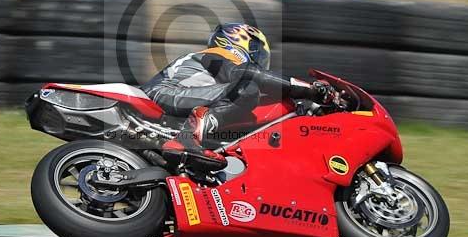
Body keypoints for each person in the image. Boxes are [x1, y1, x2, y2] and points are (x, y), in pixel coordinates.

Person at [141, 23, 332, 172]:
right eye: (256, 49)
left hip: (170, 96)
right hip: (166, 93)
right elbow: (250, 74)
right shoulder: (220, 53)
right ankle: (186, 139)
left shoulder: (213, 63)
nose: (259, 58)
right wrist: (310, 90)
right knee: (246, 90)